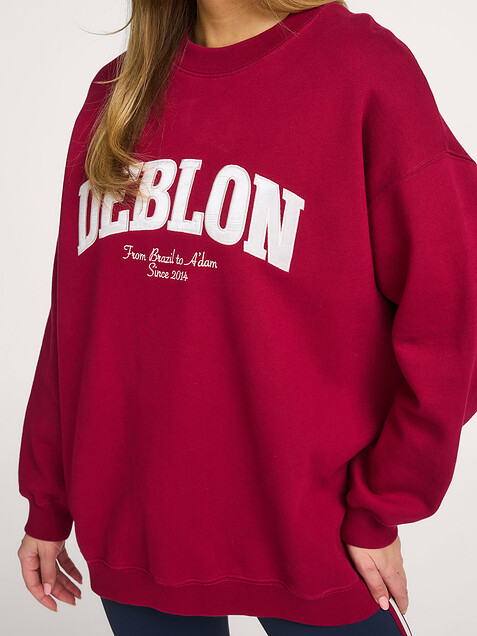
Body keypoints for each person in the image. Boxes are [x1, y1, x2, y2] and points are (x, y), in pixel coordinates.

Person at [16, 1, 477, 634]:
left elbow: (455, 312)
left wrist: (385, 501)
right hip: (136, 526)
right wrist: (48, 499)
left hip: (315, 529)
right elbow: (76, 318)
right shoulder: (117, 93)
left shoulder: (363, 70)